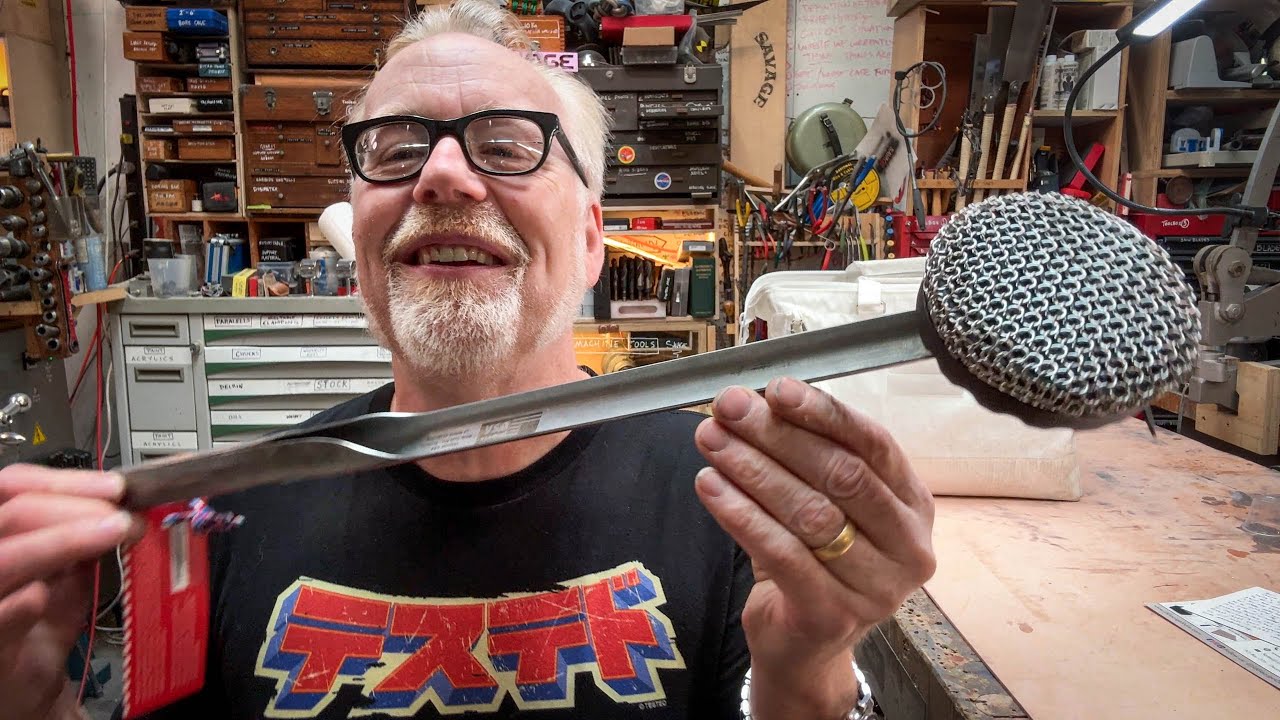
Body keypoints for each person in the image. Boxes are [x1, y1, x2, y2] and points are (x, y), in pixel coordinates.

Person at [0, 2, 935, 718]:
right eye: (395, 149)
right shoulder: (222, 516)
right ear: (361, 240)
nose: (443, 175)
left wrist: (809, 671)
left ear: (592, 237)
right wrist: (33, 705)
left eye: (506, 145)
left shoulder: (735, 511)